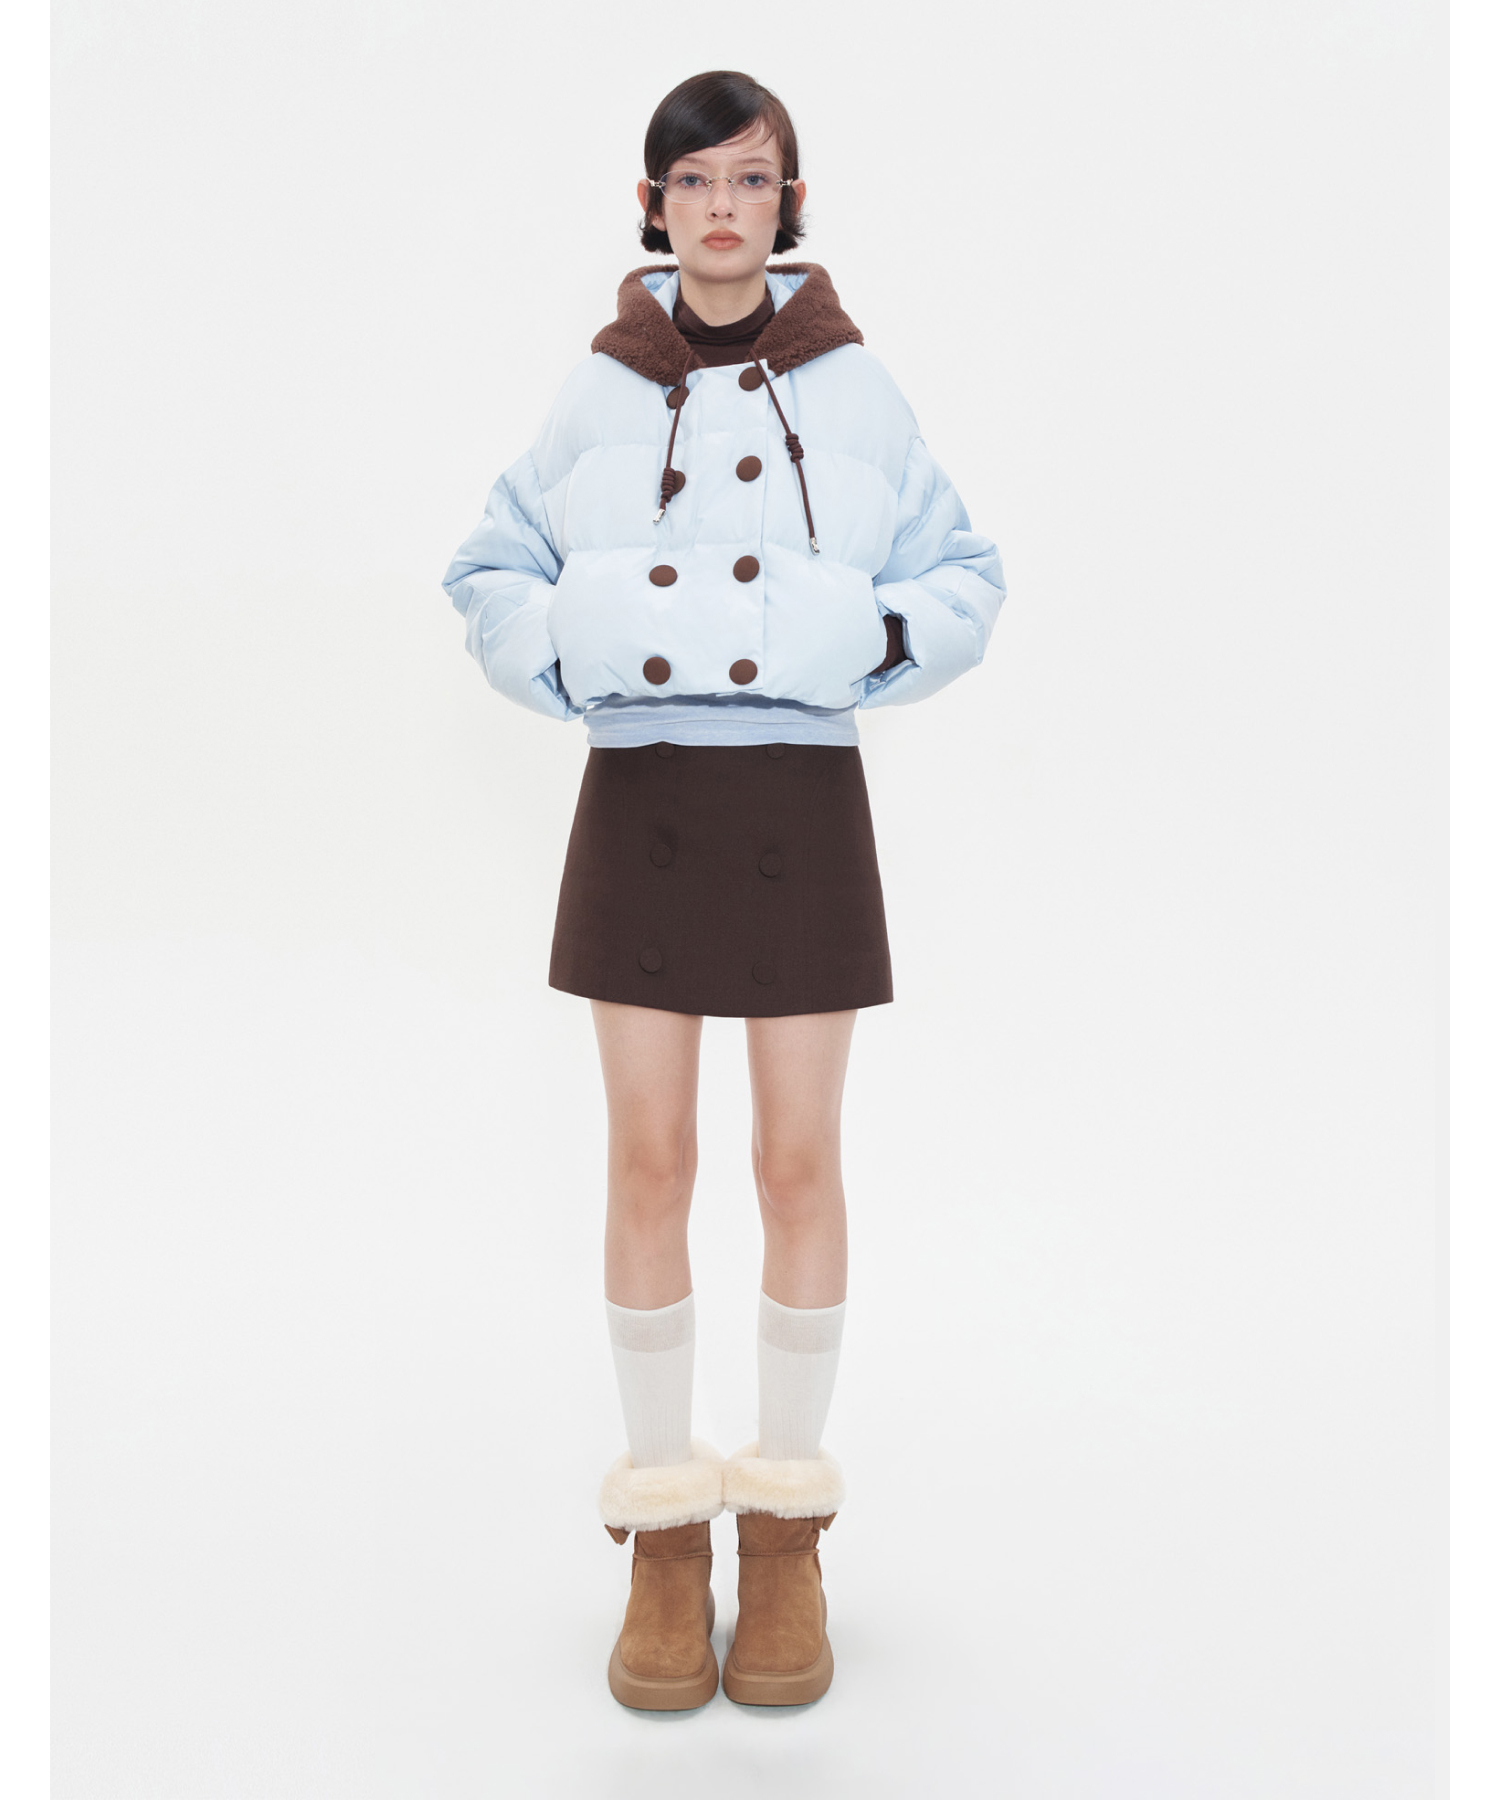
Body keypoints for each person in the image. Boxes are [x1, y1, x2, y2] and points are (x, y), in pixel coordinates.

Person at [442, 69, 1004, 1710]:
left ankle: (787, 1532)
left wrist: (854, 636)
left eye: (750, 181)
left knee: (797, 1159)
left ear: (789, 206)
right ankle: (665, 1537)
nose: (721, 209)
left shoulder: (856, 389)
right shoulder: (600, 390)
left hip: (800, 799)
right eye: (693, 182)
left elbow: (964, 576)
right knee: (649, 1157)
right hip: (647, 798)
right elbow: (488, 566)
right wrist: (575, 652)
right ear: (653, 208)